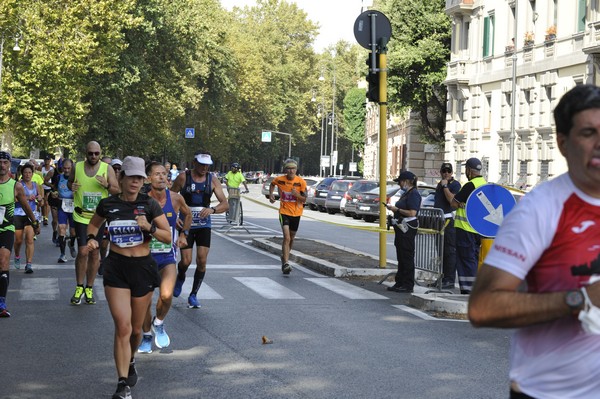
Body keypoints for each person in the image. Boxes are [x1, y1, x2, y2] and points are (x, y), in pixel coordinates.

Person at [469, 84, 600, 398]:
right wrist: (580, 300)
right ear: (563, 143)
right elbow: (482, 307)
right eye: (588, 133)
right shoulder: (540, 209)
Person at [86, 156, 171, 399]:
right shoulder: (107, 204)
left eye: (139, 178)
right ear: (121, 178)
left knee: (135, 330)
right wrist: (92, 239)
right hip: (116, 267)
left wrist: (150, 228)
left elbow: (167, 236)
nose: (135, 182)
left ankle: (130, 360)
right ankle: (122, 383)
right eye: (131, 177)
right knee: (122, 327)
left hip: (143, 268)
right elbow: (94, 225)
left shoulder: (150, 205)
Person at [138, 162, 191, 354]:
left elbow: (188, 214)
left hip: (167, 255)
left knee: (167, 295)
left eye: (164, 174)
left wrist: (184, 234)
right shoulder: (141, 200)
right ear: (148, 178)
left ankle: (158, 323)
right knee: (144, 301)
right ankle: (146, 336)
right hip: (144, 256)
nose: (162, 177)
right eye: (157, 174)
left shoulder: (175, 198)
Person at [170, 151, 228, 308]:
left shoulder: (212, 180)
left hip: (203, 225)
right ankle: (180, 276)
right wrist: (174, 218)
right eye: (201, 164)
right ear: (194, 163)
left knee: (202, 260)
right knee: (186, 261)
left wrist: (213, 210)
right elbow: (170, 198)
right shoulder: (183, 177)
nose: (204, 167)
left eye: (207, 164)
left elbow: (225, 203)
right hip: (186, 224)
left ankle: (193, 294)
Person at [68, 141, 119, 305]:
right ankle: (79, 286)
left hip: (99, 217)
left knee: (94, 252)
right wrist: (72, 186)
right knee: (83, 251)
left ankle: (89, 287)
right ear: (86, 153)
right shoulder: (77, 166)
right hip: (81, 216)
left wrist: (107, 185)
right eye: (90, 153)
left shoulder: (107, 168)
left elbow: (117, 190)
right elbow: (69, 182)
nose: (93, 156)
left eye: (96, 153)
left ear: (100, 153)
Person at [0, 151, 40, 317]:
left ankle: (1, 302)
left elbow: (25, 205)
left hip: (6, 228)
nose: (2, 165)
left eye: (4, 162)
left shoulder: (15, 185)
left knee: (3, 260)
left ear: (9, 165)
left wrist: (35, 221)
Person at [451, 157, 487, 294]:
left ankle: (468, 291)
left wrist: (460, 203)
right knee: (473, 260)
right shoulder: (484, 184)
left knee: (465, 262)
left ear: (468, 171)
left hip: (464, 229)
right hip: (478, 230)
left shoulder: (470, 186)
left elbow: (453, 203)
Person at [268, 159, 307, 275]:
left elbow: (305, 199)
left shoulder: (301, 182)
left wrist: (297, 195)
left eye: (293, 168)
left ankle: (284, 257)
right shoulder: (280, 180)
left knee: (292, 238)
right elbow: (272, 184)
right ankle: (286, 263)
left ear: (296, 170)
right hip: (284, 212)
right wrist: (271, 195)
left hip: (296, 213)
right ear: (286, 170)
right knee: (287, 237)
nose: (291, 171)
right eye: (289, 168)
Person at [385, 171, 421, 293]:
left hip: (408, 228)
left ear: (406, 181)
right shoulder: (407, 194)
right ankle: (399, 282)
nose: (399, 185)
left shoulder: (414, 194)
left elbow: (412, 213)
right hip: (401, 227)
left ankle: (407, 284)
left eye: (400, 182)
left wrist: (397, 209)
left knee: (407, 256)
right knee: (401, 256)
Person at [433, 162, 461, 289]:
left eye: (448, 171)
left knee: (449, 251)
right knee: (441, 252)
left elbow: (451, 200)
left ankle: (449, 280)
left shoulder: (455, 185)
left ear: (452, 172)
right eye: (444, 171)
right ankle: (442, 277)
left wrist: (445, 187)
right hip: (439, 221)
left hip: (449, 222)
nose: (446, 174)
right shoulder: (440, 184)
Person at [13, 163, 43, 274]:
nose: (27, 175)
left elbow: (41, 200)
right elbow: (14, 199)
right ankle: (16, 255)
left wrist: (40, 199)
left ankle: (28, 264)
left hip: (32, 215)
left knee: (30, 239)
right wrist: (26, 197)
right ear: (22, 174)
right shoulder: (18, 185)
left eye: (29, 172)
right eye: (25, 172)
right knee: (19, 240)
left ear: (32, 173)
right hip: (18, 214)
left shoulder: (35, 185)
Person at [50, 159, 77, 263]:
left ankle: (71, 244)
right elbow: (54, 189)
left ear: (72, 168)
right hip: (62, 206)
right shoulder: (58, 177)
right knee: (62, 229)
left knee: (73, 232)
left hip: (73, 206)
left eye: (68, 168)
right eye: (64, 168)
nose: (66, 170)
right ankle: (62, 254)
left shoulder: (76, 178)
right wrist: (54, 193)